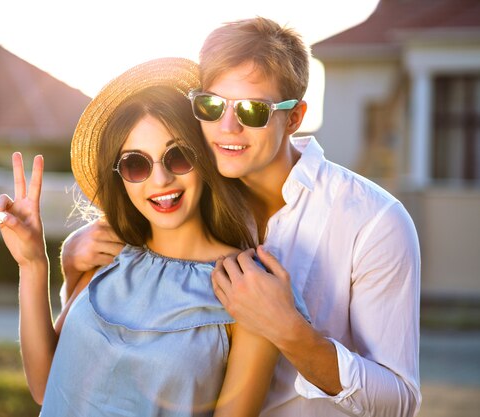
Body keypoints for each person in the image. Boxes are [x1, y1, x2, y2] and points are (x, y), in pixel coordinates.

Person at [60, 18, 422, 417]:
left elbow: (399, 402)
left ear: (295, 117)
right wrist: (71, 270)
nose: (226, 128)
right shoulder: (183, 195)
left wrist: (291, 332)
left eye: (252, 110)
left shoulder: (375, 221)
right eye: (212, 105)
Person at [0, 57, 308, 416]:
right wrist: (33, 264)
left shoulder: (246, 288)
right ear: (120, 177)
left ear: (203, 156)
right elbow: (45, 386)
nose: (160, 181)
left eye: (178, 156)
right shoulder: (106, 256)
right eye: (136, 164)